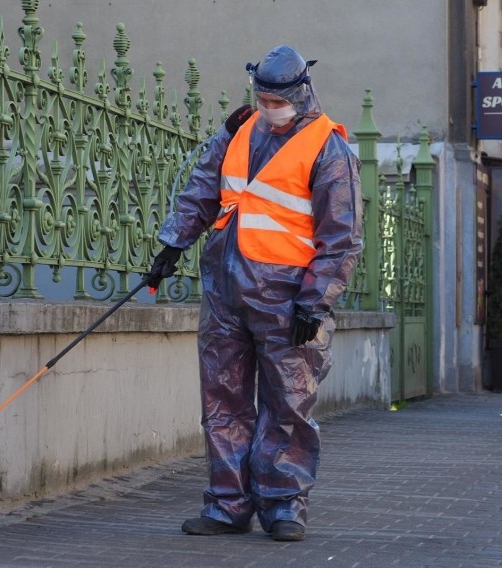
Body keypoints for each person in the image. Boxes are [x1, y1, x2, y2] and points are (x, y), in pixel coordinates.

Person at [146, 45, 363, 542]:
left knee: (288, 403)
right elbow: (202, 189)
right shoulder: (238, 132)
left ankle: (284, 504)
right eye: (261, 98)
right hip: (226, 291)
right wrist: (171, 244)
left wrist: (315, 299)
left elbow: (342, 236)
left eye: (275, 100)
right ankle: (227, 504)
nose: (268, 107)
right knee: (223, 399)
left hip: (288, 298)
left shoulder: (327, 148)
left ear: (300, 94)